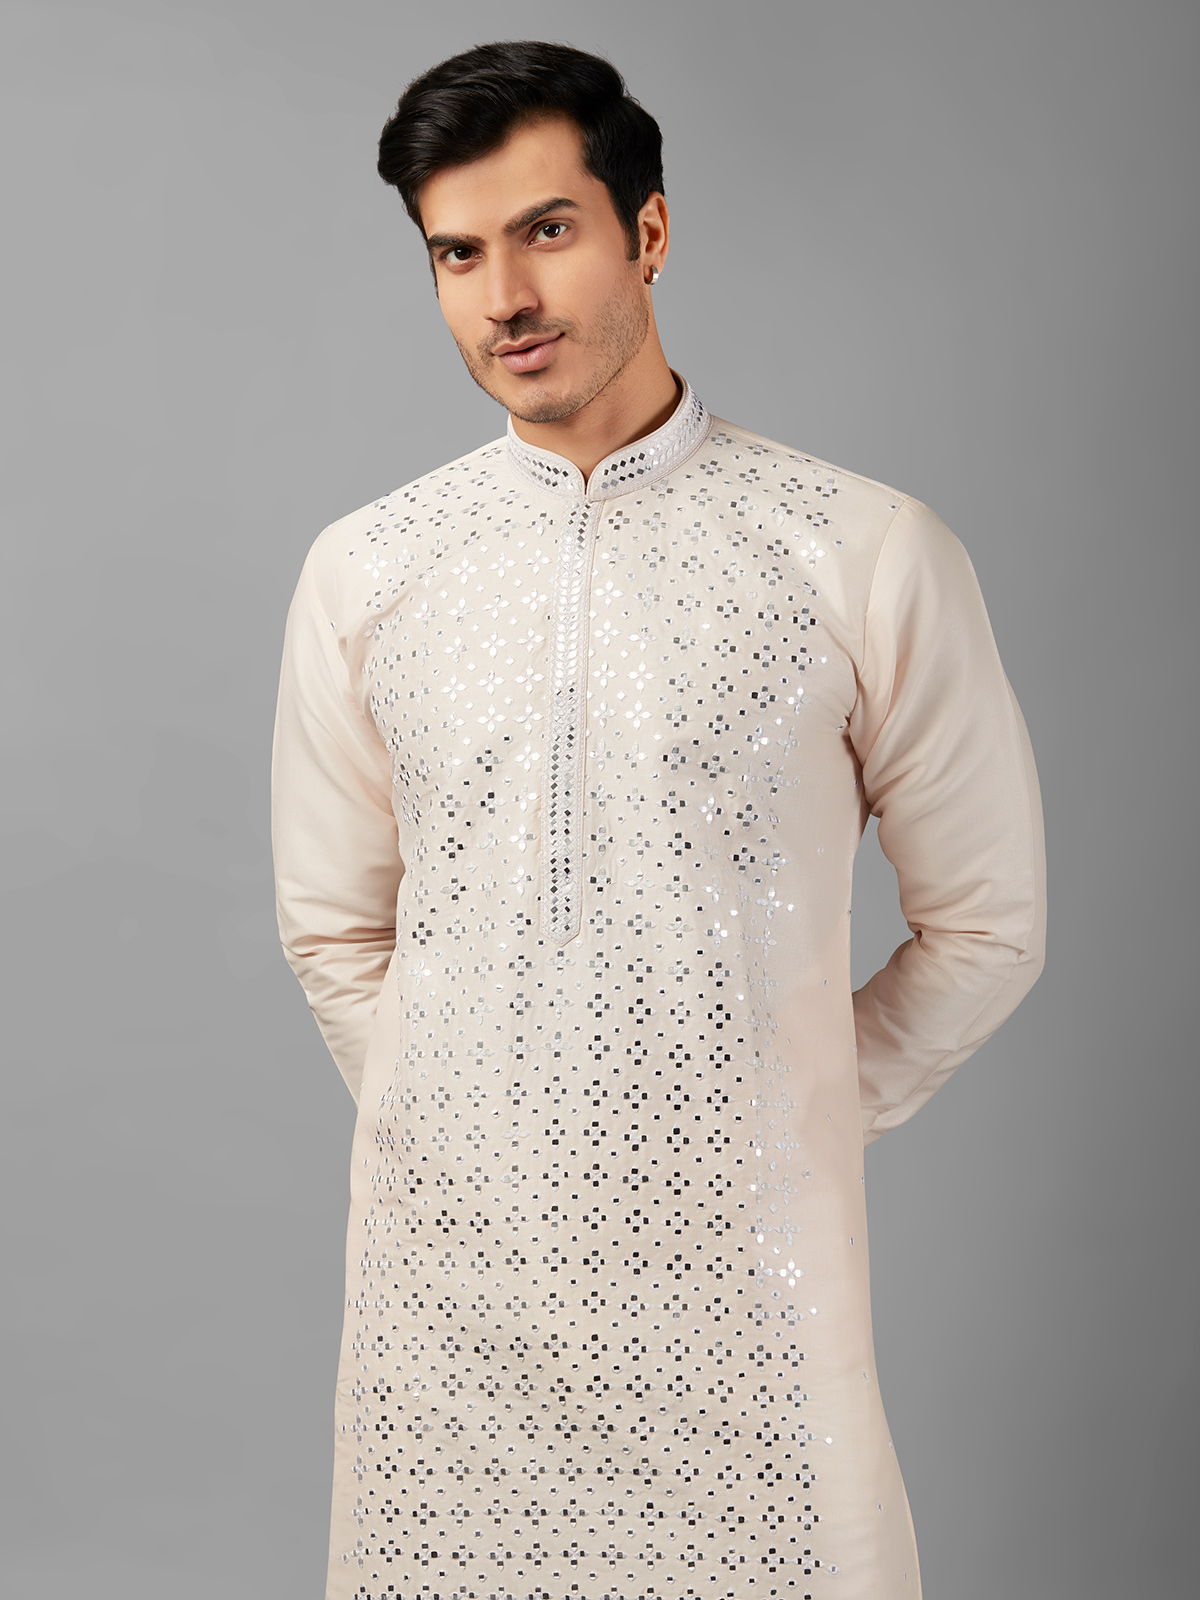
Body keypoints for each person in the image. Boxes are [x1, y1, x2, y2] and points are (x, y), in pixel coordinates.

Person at [270, 38, 1047, 1600]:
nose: (506, 297)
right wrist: (479, 1132)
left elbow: (988, 924)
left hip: (748, 1305)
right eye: (458, 254)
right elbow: (336, 929)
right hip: (451, 1330)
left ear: (650, 232)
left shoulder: (860, 552)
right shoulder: (370, 570)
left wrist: (775, 1114)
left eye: (547, 231)